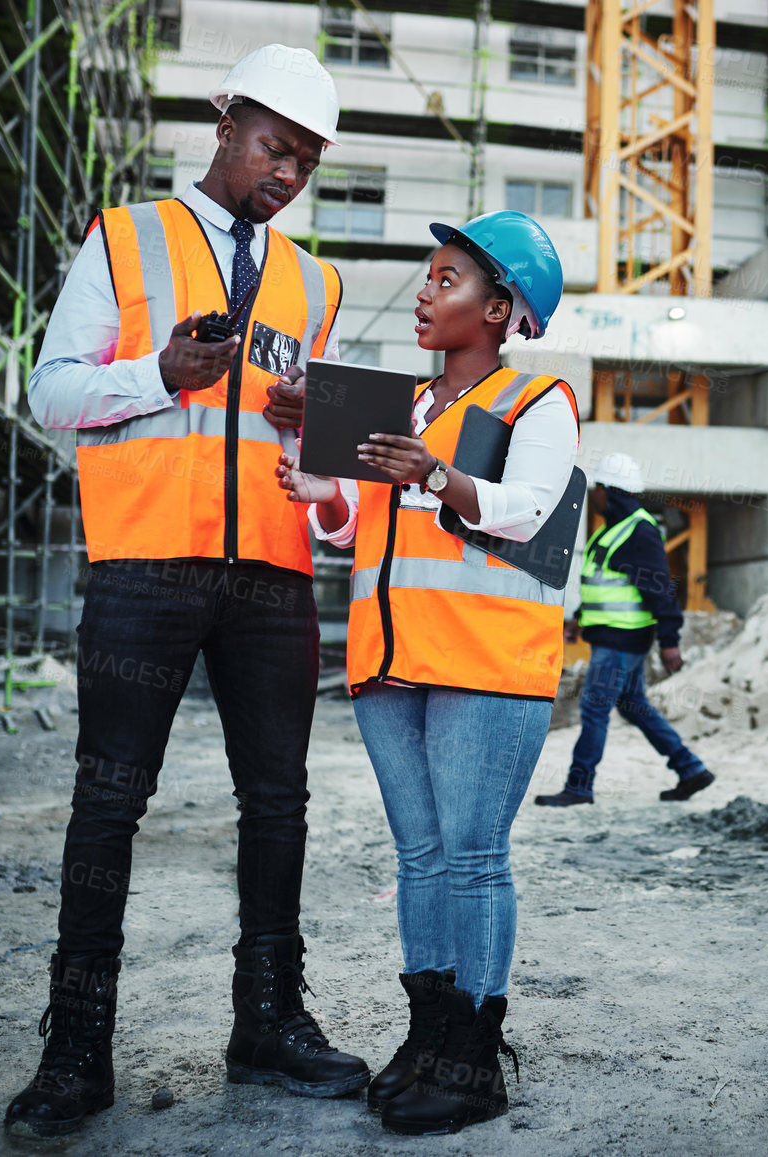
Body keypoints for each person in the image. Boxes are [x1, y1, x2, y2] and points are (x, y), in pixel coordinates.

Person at [5, 44, 368, 1138]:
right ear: (225, 122)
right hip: (145, 566)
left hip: (270, 573)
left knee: (281, 803)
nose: (287, 171)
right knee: (109, 804)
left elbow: (330, 461)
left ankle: (268, 1022)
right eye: (274, 145)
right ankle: (77, 1049)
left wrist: (321, 431)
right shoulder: (126, 239)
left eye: (306, 159)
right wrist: (156, 375)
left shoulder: (317, 283)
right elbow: (51, 392)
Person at [278, 210, 573, 1134]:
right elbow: (353, 532)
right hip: (391, 664)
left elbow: (529, 512)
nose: (424, 290)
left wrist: (438, 475)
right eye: (428, 275)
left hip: (486, 666)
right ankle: (430, 1032)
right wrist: (316, 483)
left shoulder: (538, 402)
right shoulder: (397, 409)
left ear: (498, 311)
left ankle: (476, 1057)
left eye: (447, 280)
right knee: (421, 857)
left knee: (476, 858)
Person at [533, 455, 714, 806]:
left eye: (598, 489)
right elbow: (607, 583)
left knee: (595, 709)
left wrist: (670, 642)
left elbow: (659, 590)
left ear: (608, 491)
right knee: (633, 706)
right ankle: (690, 769)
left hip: (621, 641)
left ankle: (579, 786)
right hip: (614, 637)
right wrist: (580, 619)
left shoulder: (639, 532)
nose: (595, 496)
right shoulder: (615, 529)